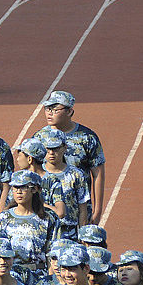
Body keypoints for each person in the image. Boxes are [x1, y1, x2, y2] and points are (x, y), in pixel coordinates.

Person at [35, 91, 106, 224]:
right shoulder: (39, 137)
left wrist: (97, 211)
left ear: (69, 112)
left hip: (78, 212)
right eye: (47, 109)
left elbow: (98, 174)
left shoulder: (87, 138)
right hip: (46, 213)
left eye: (55, 109)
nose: (49, 113)